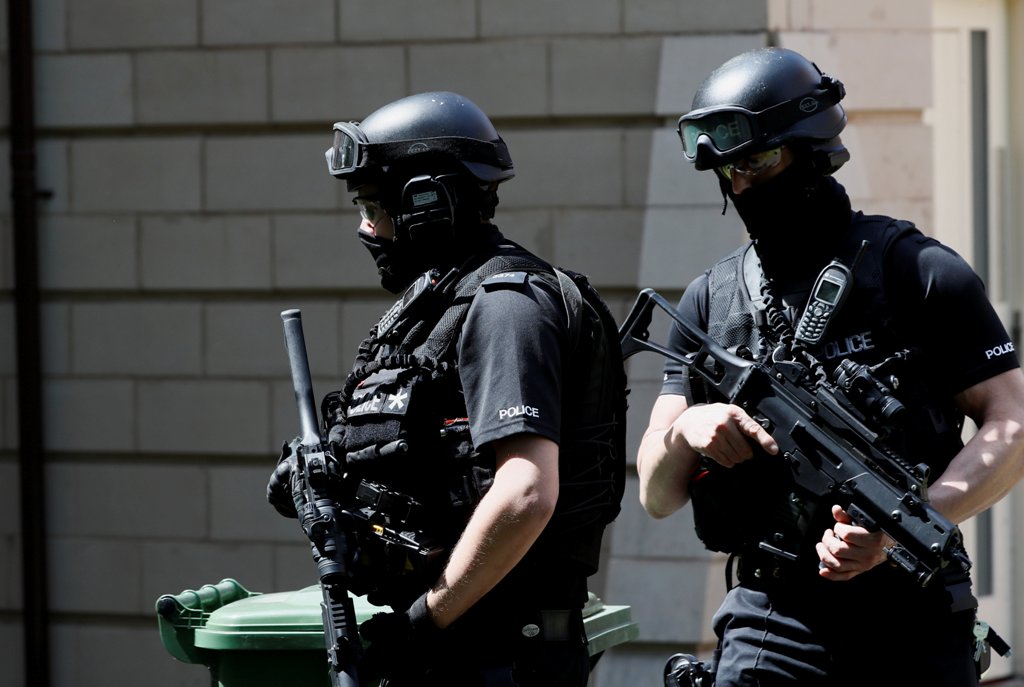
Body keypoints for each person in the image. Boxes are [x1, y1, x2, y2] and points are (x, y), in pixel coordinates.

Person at [637, 47, 1024, 687]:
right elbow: (656, 493)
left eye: (756, 161)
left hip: (910, 615)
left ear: (812, 151)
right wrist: (689, 430)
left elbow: (1010, 426)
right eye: (727, 171)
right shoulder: (713, 298)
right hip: (772, 617)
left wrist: (906, 527)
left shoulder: (916, 270)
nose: (740, 186)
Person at [268, 91, 625, 687]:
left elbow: (525, 494)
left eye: (373, 207)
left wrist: (419, 626)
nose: (365, 227)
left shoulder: (508, 304)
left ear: (427, 204)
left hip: (500, 653)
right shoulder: (433, 310)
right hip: (455, 647)